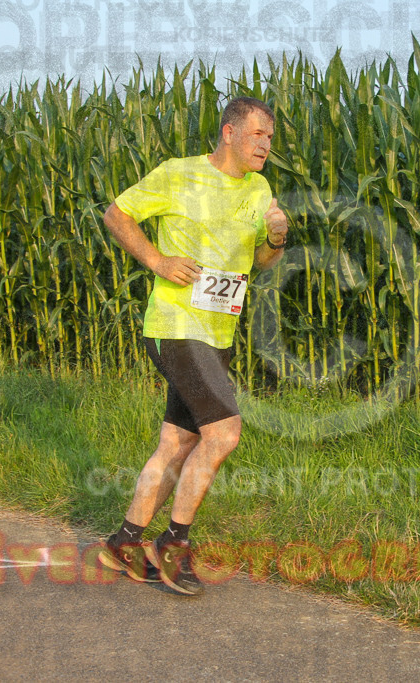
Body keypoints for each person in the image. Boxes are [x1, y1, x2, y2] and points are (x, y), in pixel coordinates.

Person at [98, 96, 288, 595]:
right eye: (257, 135)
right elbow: (116, 214)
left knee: (178, 442)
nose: (266, 145)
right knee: (224, 434)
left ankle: (124, 542)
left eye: (270, 137)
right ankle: (174, 544)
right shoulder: (178, 173)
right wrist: (157, 260)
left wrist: (275, 239)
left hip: (217, 333)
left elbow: (262, 264)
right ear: (229, 132)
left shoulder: (260, 188)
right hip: (175, 325)